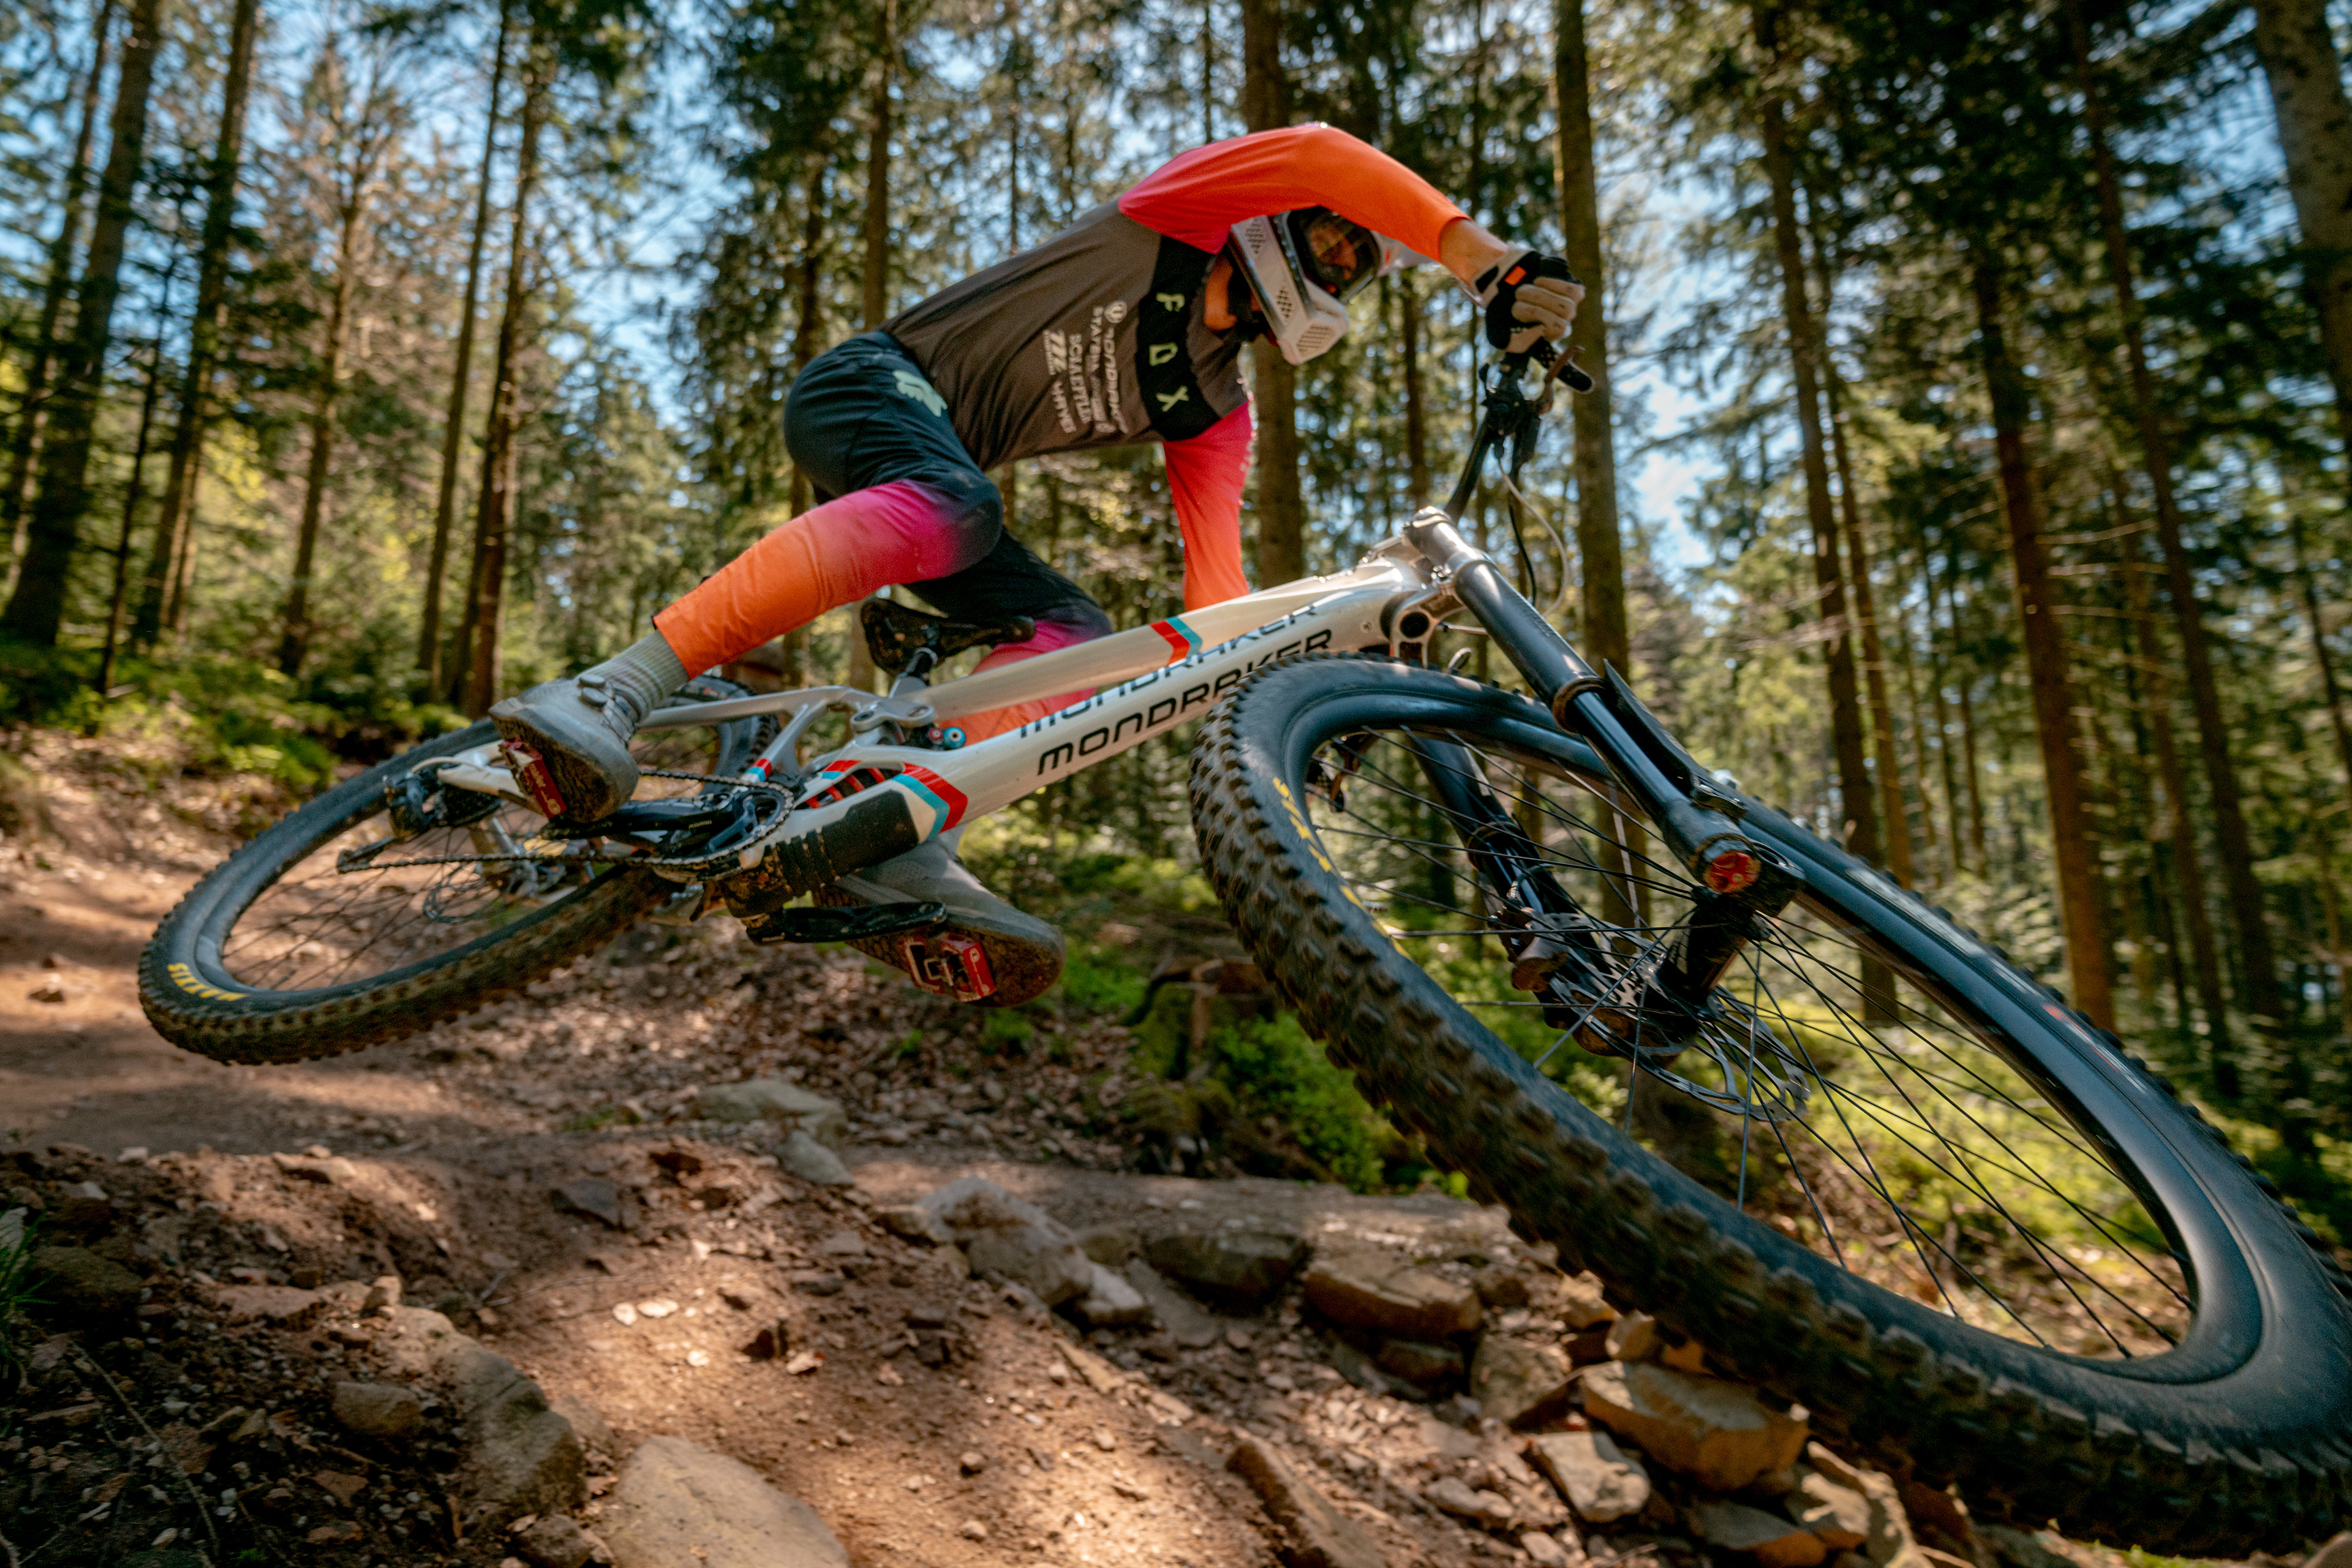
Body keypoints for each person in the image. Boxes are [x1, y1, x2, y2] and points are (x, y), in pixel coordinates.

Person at [491, 123, 1580, 1004]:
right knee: (960, 503)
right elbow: (1320, 150)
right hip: (873, 387)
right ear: (1275, 219)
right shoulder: (1173, 216)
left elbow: (1217, 601)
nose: (1341, 260)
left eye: (1359, 261)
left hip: (930, 498)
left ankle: (883, 813)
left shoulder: (1214, 409)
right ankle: (615, 687)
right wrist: (1483, 261)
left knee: (1075, 641)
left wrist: (1291, 680)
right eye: (1340, 239)